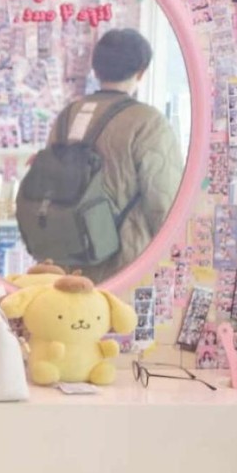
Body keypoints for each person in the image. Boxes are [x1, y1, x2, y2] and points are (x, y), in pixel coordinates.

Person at [46, 27, 184, 284]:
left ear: (96, 69)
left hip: (68, 262)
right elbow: (165, 201)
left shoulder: (68, 116)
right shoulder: (148, 122)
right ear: (141, 71)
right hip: (125, 265)